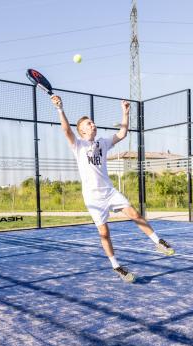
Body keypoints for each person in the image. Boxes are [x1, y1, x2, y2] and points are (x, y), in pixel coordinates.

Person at [50, 94, 174, 283]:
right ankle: (116, 266)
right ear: (82, 131)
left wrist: (125, 113)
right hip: (92, 198)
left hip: (109, 191)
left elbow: (122, 134)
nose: (93, 125)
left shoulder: (102, 143)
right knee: (104, 233)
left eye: (92, 123)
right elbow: (66, 130)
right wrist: (60, 108)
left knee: (134, 214)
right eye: (89, 124)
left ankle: (158, 242)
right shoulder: (78, 145)